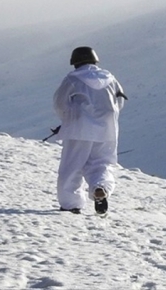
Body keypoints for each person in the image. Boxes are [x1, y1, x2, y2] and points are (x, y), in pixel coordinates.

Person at [53, 46, 127, 215]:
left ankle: (71, 203)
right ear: (95, 60)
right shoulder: (110, 78)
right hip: (107, 129)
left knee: (72, 165)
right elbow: (119, 102)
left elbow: (60, 103)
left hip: (79, 128)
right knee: (102, 162)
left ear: (75, 62)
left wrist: (67, 120)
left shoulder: (73, 79)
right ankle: (100, 187)